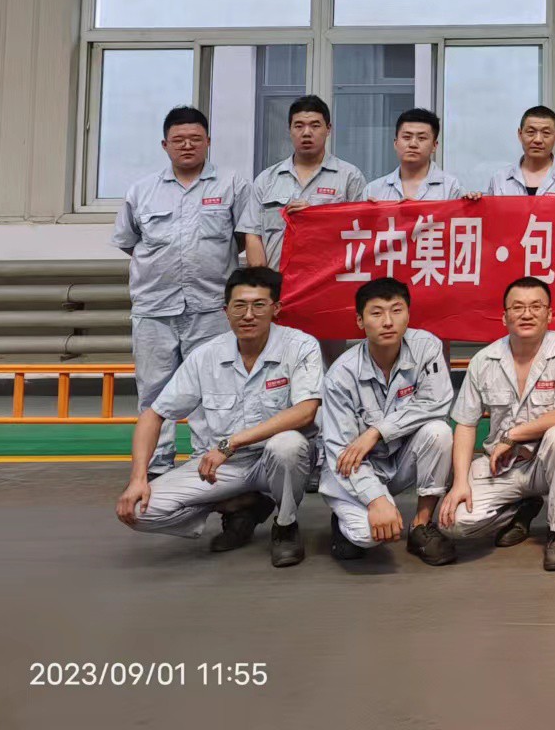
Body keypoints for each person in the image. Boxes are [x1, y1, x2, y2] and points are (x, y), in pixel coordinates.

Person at [114, 266, 319, 569]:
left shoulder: (300, 346)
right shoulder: (206, 356)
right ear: (226, 311)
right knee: (137, 511)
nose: (248, 315)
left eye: (259, 305)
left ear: (276, 309)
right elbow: (153, 415)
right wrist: (138, 479)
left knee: (287, 445)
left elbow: (306, 410)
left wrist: (231, 443)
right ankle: (239, 504)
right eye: (239, 306)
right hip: (227, 466)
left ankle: (286, 525)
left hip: (275, 461)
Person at [113, 106, 263, 476]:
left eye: (195, 139)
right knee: (154, 390)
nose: (187, 145)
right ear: (164, 145)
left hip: (211, 308)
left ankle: (207, 462)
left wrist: (260, 289)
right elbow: (130, 242)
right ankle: (156, 467)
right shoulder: (141, 191)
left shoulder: (232, 185)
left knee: (213, 390)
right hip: (154, 308)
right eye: (178, 140)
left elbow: (248, 238)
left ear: (208, 142)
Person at [437, 277, 555, 572]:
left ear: (549, 314)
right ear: (504, 317)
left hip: (546, 464)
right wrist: (460, 482)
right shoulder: (484, 360)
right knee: (452, 523)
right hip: (501, 466)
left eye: (536, 307)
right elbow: (465, 424)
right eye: (517, 307)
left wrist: (512, 436)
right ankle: (519, 509)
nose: (526, 314)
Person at [318, 276, 456, 566]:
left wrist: (377, 431)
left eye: (396, 310)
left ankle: (421, 526)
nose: (388, 321)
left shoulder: (426, 346)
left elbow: (438, 402)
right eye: (377, 313)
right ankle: (345, 518)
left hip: (399, 457)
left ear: (408, 314)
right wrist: (376, 500)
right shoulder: (341, 375)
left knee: (439, 431)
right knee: (368, 535)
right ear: (360, 321)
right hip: (355, 466)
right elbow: (341, 452)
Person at [250, 94, 366, 269]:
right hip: (276, 280)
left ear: (328, 129)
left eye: (315, 125)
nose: (306, 133)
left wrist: (317, 218)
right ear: (289, 129)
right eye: (299, 126)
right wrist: (263, 281)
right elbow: (253, 234)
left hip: (326, 280)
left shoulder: (350, 177)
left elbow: (361, 233)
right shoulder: (267, 179)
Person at [487, 105, 555, 198]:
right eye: (531, 132)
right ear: (520, 134)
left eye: (546, 133)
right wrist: (477, 204)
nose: (538, 140)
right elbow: (489, 212)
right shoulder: (499, 179)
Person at [366, 108, 465, 202]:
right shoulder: (373, 190)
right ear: (396, 143)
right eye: (407, 137)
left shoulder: (452, 188)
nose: (413, 144)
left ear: (434, 146)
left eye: (421, 138)